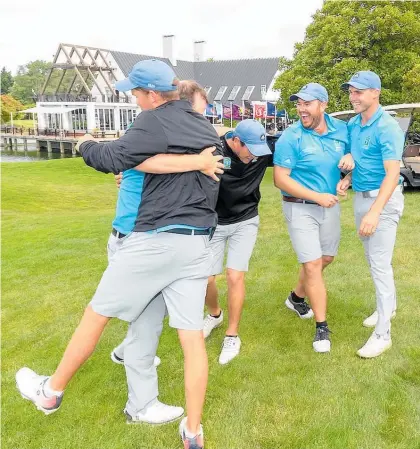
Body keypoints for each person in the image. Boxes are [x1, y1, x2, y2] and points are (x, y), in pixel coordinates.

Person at [16, 59, 222, 449]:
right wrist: (186, 162)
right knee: (191, 338)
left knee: (95, 315)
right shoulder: (200, 123)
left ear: (148, 94)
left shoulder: (152, 119)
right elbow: (161, 161)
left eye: (135, 92)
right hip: (198, 244)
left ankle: (50, 392)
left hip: (155, 240)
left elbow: (112, 158)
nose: (134, 98)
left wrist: (85, 144)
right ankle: (193, 432)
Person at [110, 79, 219, 370]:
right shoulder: (155, 136)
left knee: (147, 309)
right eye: (197, 111)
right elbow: (133, 159)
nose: (199, 121)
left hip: (150, 232)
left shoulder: (172, 141)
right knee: (134, 309)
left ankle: (129, 353)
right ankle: (136, 378)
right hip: (136, 232)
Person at [273, 83, 353, 353]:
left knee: (325, 259)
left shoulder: (343, 130)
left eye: (307, 104)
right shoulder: (291, 136)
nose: (301, 109)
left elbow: (358, 156)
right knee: (312, 265)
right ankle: (321, 328)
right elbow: (279, 179)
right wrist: (317, 196)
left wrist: (349, 172)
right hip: (299, 207)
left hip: (329, 205)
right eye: (299, 104)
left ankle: (296, 297)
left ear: (323, 104)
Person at [337, 71, 404, 358]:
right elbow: (360, 158)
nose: (353, 97)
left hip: (382, 201)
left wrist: (375, 213)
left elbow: (392, 174)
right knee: (375, 261)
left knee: (379, 265)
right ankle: (386, 307)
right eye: (351, 92)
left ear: (375, 92)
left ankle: (383, 334)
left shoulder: (387, 127)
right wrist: (347, 178)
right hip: (361, 198)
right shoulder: (354, 124)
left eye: (359, 92)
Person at [202, 119, 274, 365]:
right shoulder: (213, 151)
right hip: (215, 221)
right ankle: (214, 315)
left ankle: (232, 335)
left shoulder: (262, 152)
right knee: (206, 279)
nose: (255, 156)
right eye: (249, 149)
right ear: (235, 141)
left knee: (235, 276)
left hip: (246, 220)